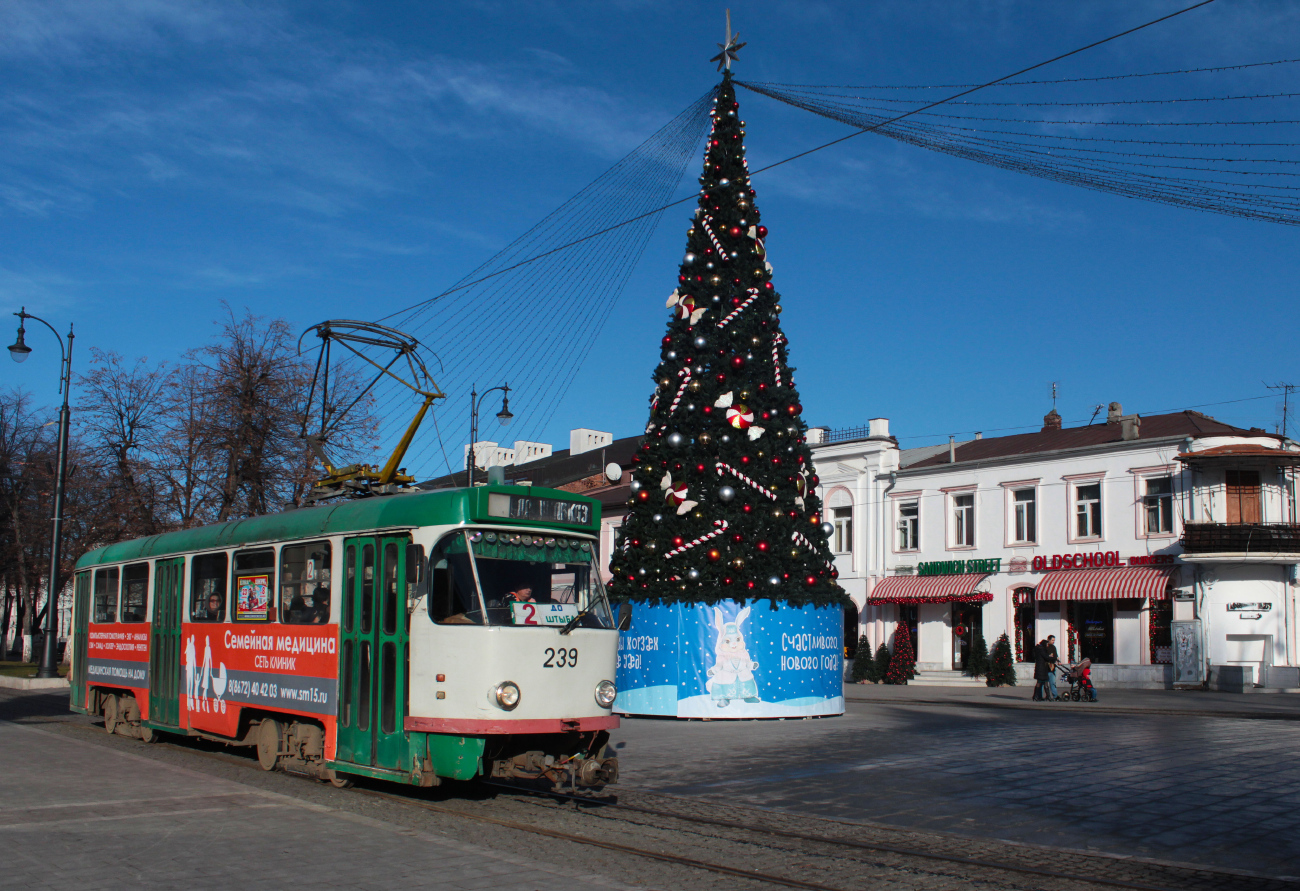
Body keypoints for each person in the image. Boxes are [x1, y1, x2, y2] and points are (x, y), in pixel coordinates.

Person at [1042, 634, 1060, 701]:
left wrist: (1057, 660)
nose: (1053, 641)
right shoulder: (1044, 647)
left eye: (1054, 640)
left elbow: (1055, 656)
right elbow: (1045, 657)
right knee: (1043, 683)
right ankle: (1042, 696)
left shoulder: (1053, 647)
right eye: (1052, 640)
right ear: (1048, 640)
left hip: (1052, 667)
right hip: (1045, 668)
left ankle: (1055, 696)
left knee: (1052, 682)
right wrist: (1050, 656)